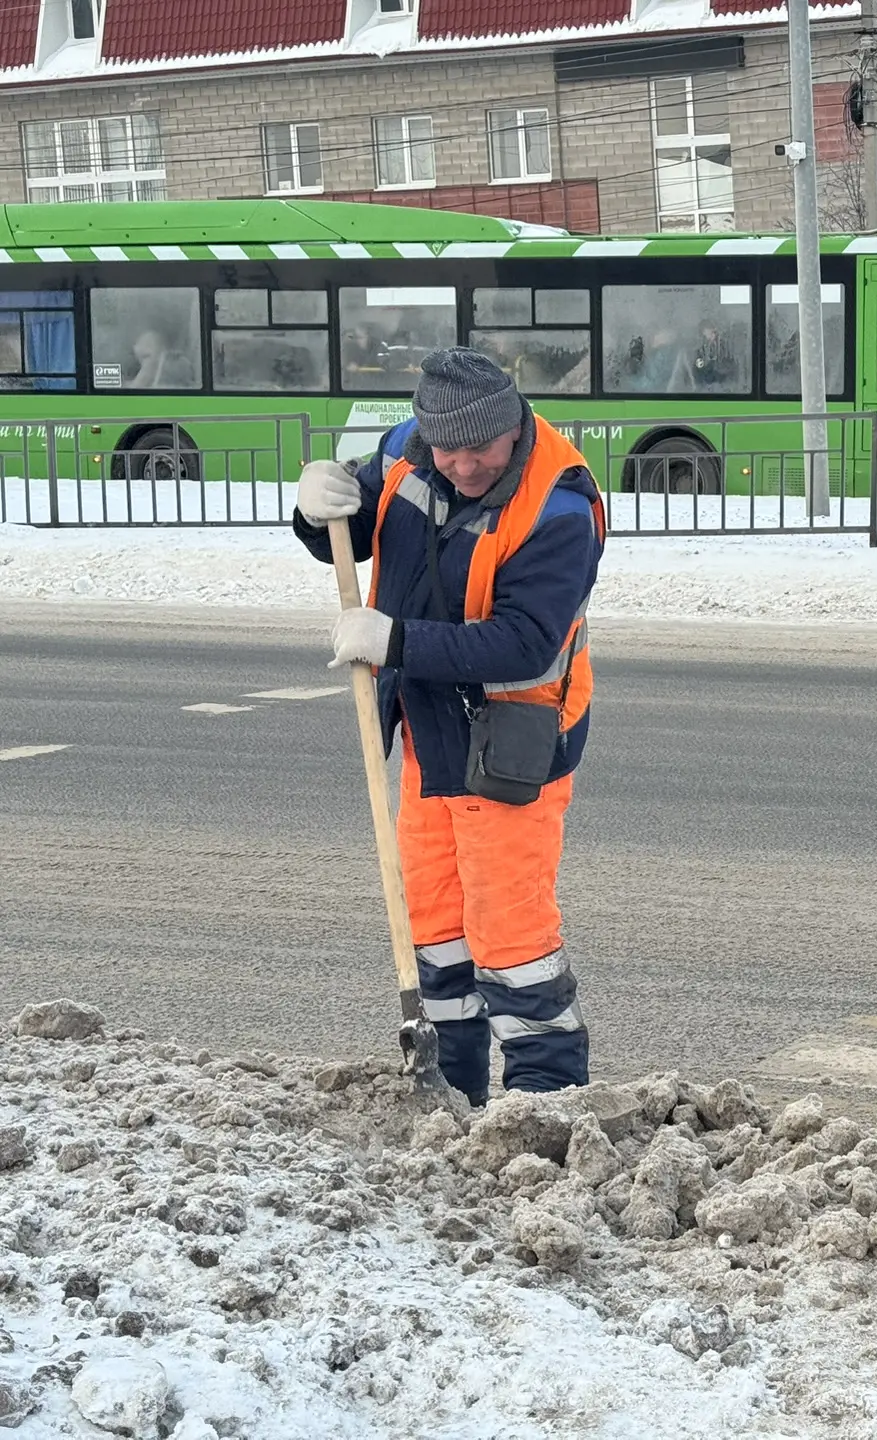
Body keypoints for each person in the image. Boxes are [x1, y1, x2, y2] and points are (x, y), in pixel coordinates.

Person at [291, 348, 605, 1106]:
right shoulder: (407, 449)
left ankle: (545, 1110)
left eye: (480, 450)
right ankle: (451, 1095)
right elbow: (355, 527)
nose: (462, 466)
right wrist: (313, 514)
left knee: (512, 942)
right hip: (429, 736)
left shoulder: (558, 505)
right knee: (434, 924)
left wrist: (394, 642)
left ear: (512, 429)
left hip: (510, 746)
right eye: (448, 449)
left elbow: (524, 639)